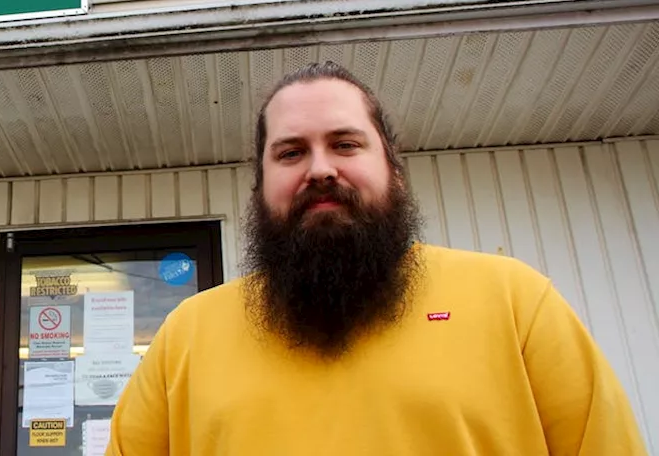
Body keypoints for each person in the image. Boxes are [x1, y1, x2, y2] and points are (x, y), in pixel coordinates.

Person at [106, 61, 647, 455]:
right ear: (259, 188)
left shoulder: (516, 303)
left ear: (395, 170)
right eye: (291, 152)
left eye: (345, 144)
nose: (319, 170)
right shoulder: (186, 336)